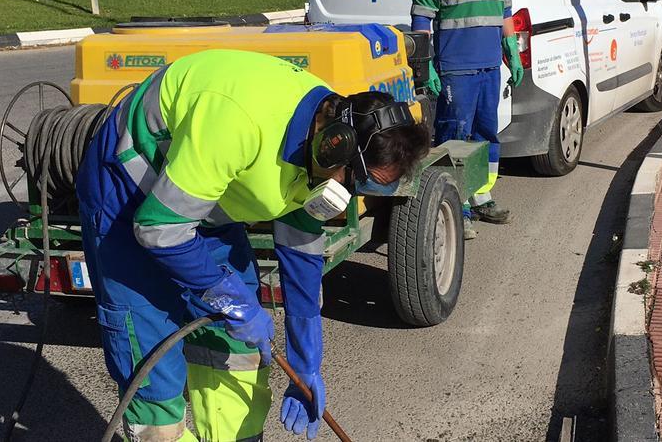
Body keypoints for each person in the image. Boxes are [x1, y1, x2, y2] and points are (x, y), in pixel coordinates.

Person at [76, 49, 430, 441]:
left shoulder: (322, 135)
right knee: (153, 374)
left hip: (209, 203)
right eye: (352, 181)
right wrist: (229, 299)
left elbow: (302, 260)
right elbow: (160, 229)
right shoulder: (237, 123)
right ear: (334, 145)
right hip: (130, 198)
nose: (344, 195)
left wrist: (306, 364)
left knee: (238, 356)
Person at [411, 0, 523, 237]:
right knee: (454, 137)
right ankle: (454, 205)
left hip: (490, 65)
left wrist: (511, 47)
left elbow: (504, 10)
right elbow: (421, 17)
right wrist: (425, 61)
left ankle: (481, 196)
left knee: (486, 135)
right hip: (455, 68)